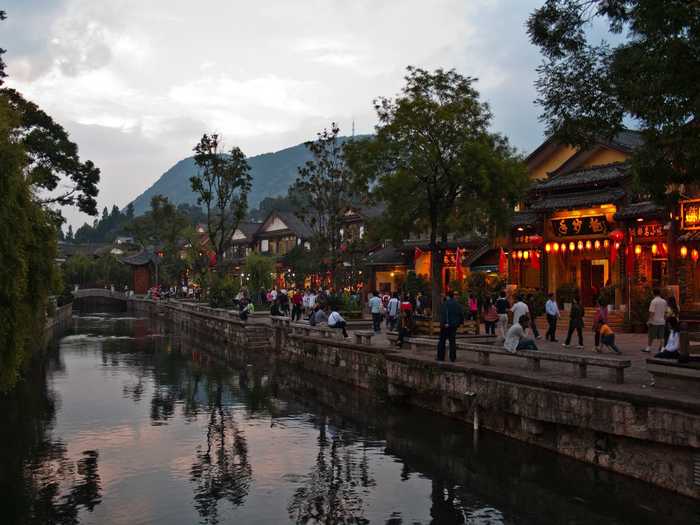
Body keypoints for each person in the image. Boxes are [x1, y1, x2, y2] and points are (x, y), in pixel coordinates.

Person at [436, 291, 464, 362]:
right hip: (453, 325)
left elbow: (443, 314)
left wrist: (443, 323)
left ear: (448, 296)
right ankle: (452, 357)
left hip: (445, 325)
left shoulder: (445, 304)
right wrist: (459, 323)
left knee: (442, 341)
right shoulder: (458, 305)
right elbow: (461, 315)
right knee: (452, 341)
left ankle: (440, 357)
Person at [643, 288, 667, 353]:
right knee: (662, 336)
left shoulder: (653, 301)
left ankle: (648, 348)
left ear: (653, 293)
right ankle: (662, 348)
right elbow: (665, 312)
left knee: (651, 335)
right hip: (662, 321)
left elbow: (651, 312)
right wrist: (665, 320)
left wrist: (649, 321)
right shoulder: (664, 301)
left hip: (654, 321)